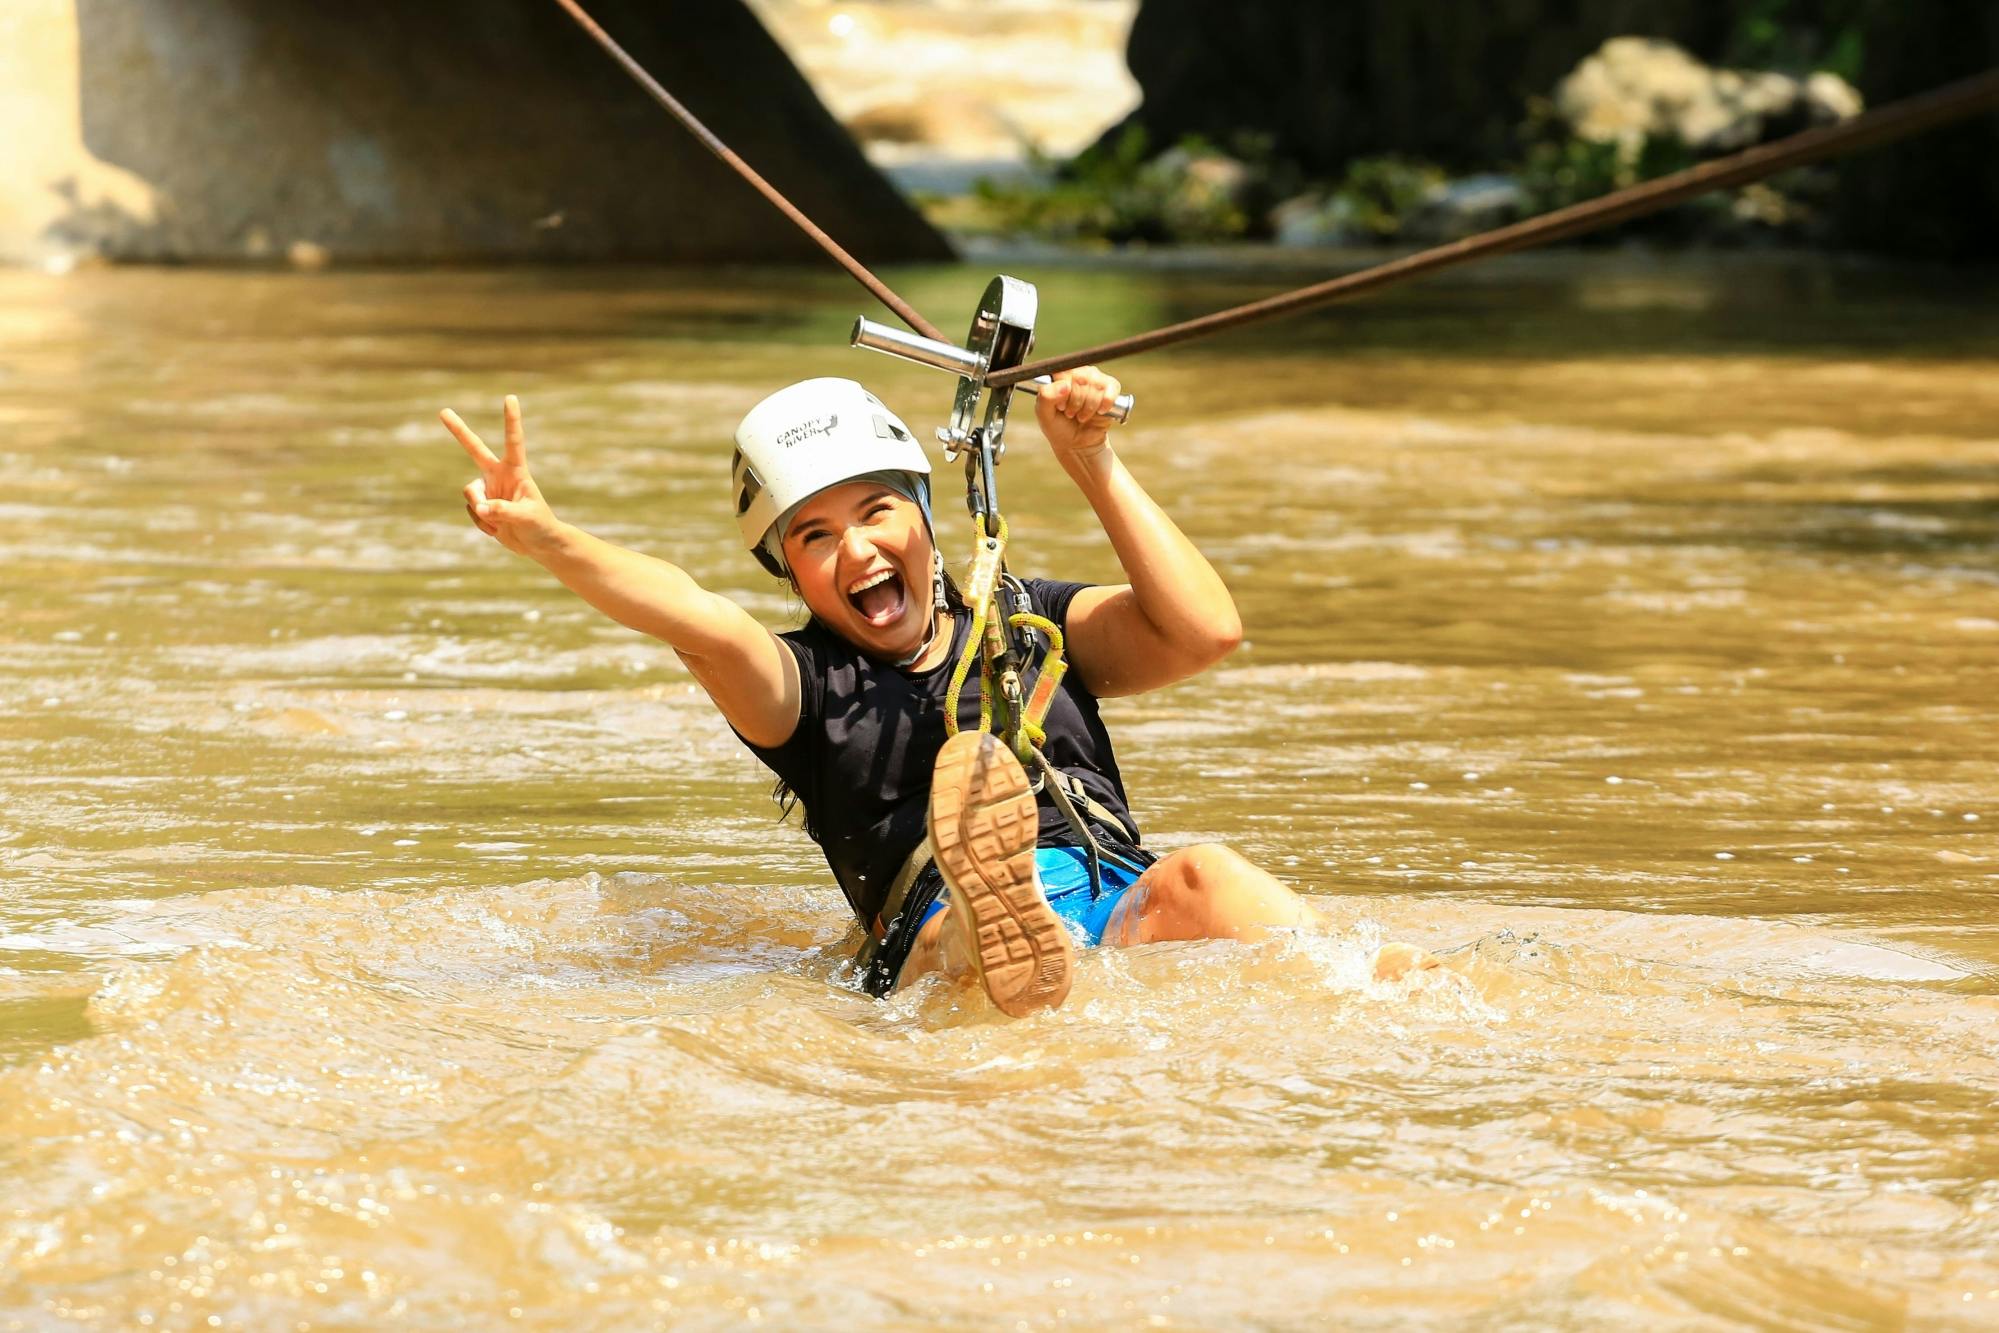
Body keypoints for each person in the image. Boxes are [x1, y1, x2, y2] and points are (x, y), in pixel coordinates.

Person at [441, 369, 1437, 1017]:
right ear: (790, 573)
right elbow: (692, 617)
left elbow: (1201, 629)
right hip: (929, 934)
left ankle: (1389, 994)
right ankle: (992, 921)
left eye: (876, 512)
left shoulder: (1032, 621)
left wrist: (1091, 460)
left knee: (1202, 876)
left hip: (1114, 894)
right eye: (815, 537)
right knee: (952, 930)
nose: (857, 549)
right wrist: (550, 539)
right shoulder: (802, 690)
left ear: (925, 514)